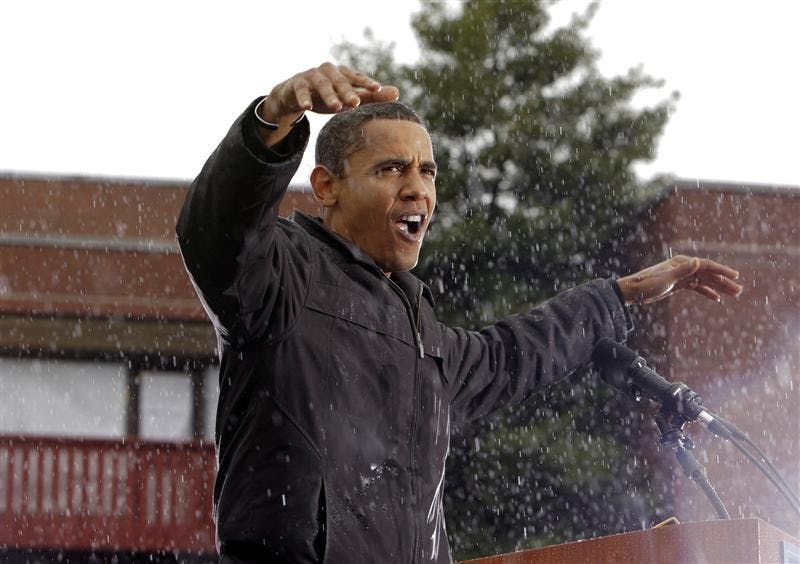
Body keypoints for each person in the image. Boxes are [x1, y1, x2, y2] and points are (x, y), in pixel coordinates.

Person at [176, 63, 743, 564]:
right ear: (326, 186)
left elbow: (509, 355)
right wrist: (270, 123)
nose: (417, 188)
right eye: (392, 169)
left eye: (428, 171)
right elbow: (216, 229)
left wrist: (620, 295)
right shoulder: (281, 276)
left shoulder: (419, 329)